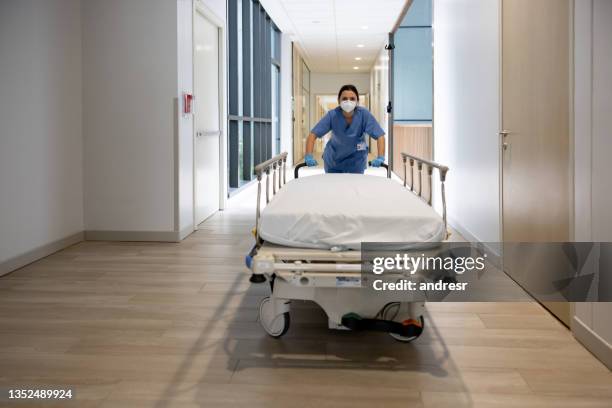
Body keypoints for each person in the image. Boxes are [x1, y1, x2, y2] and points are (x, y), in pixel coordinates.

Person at [304, 84, 386, 174]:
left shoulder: (364, 115)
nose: (348, 101)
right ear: (338, 101)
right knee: (334, 186)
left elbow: (380, 136)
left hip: (356, 162)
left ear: (357, 101)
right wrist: (309, 156)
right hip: (334, 160)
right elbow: (313, 135)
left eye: (352, 99)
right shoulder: (332, 115)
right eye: (344, 98)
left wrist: (380, 157)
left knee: (355, 187)